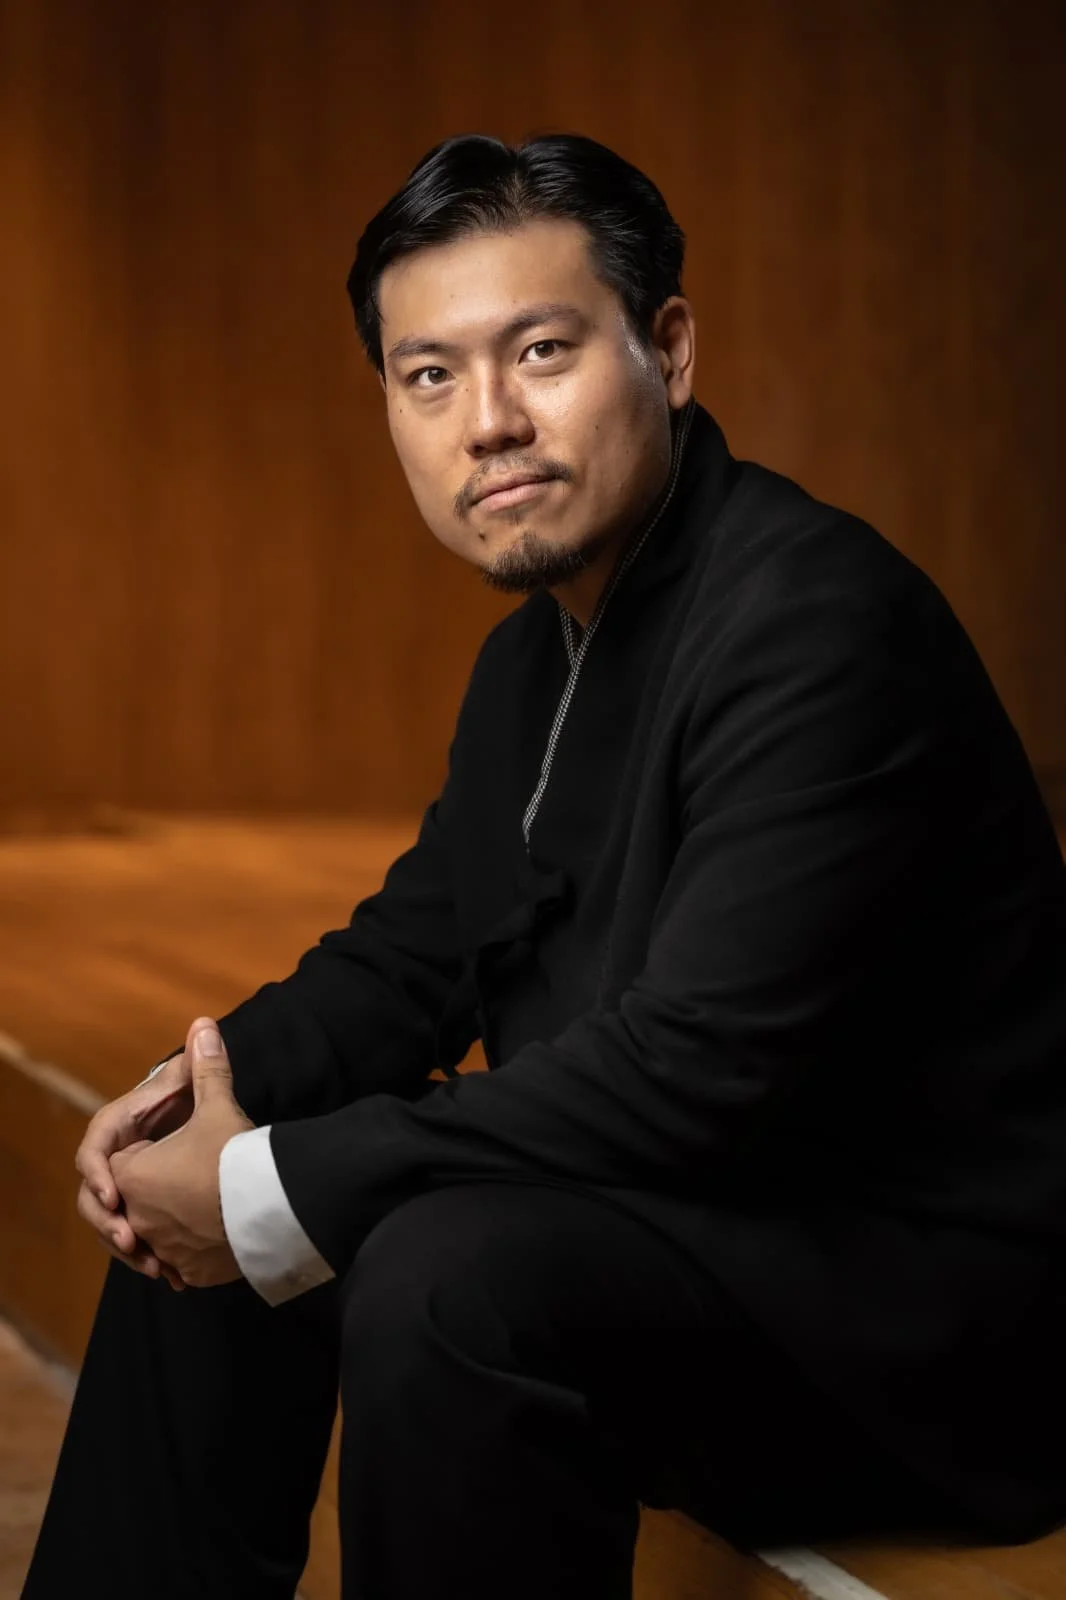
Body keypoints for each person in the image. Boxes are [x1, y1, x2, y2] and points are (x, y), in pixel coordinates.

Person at [23, 133, 1066, 1600]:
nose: (488, 421)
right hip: (702, 1244)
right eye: (429, 374)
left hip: (919, 1330)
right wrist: (189, 1102)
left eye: (541, 350)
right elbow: (411, 955)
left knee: (433, 1266)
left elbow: (693, 1074)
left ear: (669, 349)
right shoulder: (538, 653)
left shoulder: (818, 623)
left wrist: (272, 1179)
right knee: (219, 1195)